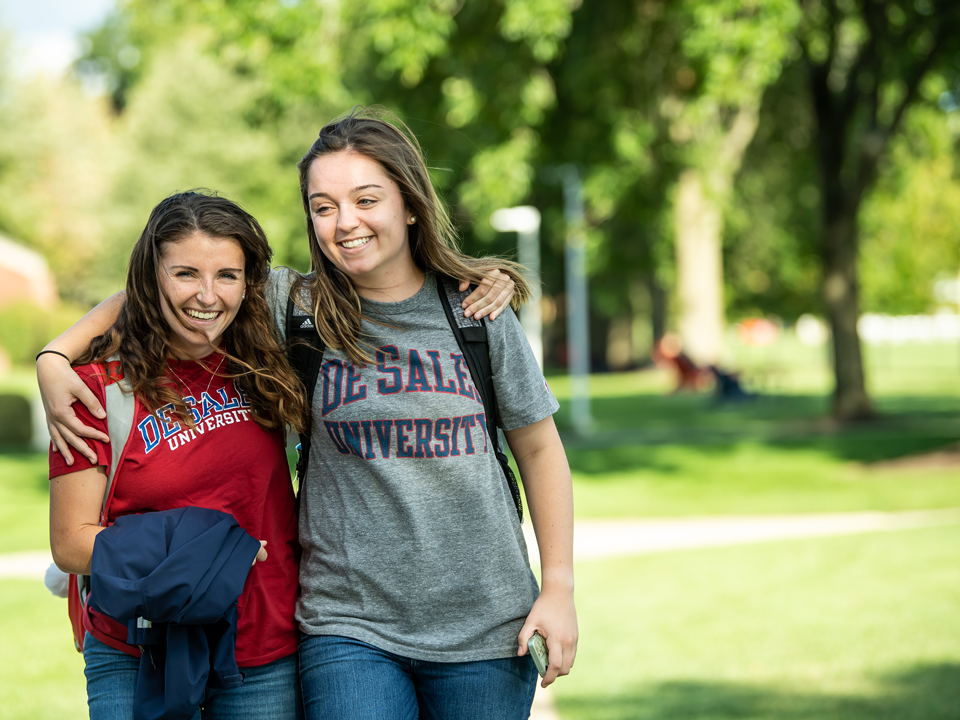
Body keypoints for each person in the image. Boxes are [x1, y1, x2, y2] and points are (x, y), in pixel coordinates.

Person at [41, 108, 576, 720]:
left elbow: (539, 450)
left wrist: (557, 586)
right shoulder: (294, 308)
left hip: (487, 623)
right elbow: (172, 282)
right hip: (347, 625)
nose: (345, 222)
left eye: (366, 199)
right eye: (324, 206)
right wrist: (56, 354)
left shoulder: (476, 314)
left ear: (410, 204)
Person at [46, 191, 308, 719]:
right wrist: (209, 550)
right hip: (139, 649)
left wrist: (475, 276)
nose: (208, 297)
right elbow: (71, 546)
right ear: (151, 278)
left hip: (261, 648)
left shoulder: (271, 364)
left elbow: (383, 284)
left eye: (227, 275)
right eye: (185, 273)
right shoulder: (96, 388)